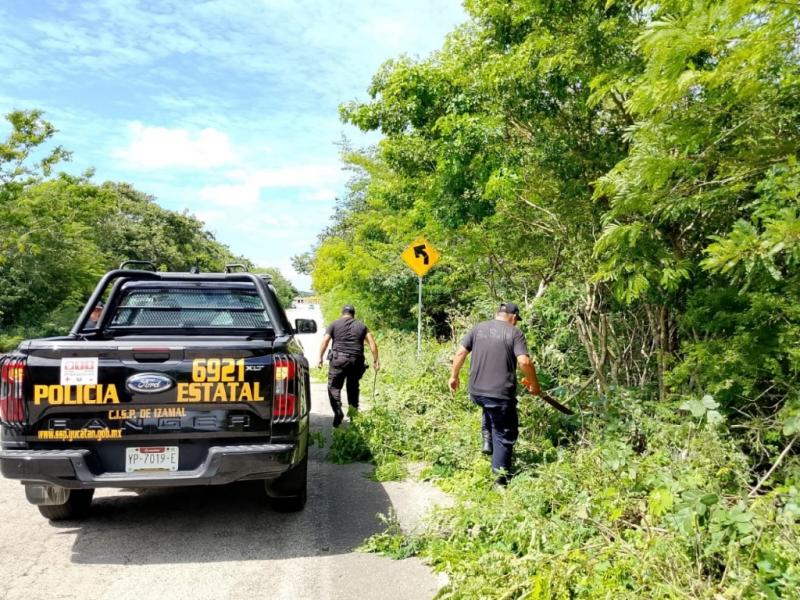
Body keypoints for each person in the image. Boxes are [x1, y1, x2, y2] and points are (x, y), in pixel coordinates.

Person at [448, 302, 542, 486]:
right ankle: (500, 480)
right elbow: (524, 362)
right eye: (516, 320)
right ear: (514, 318)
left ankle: (487, 440)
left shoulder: (478, 328)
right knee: (505, 433)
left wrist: (453, 376)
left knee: (490, 406)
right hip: (500, 394)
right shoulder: (514, 332)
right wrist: (534, 384)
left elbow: (459, 353)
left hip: (476, 391)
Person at [318, 304, 380, 427]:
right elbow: (372, 343)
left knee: (334, 387)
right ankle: (353, 417)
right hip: (356, 361)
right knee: (353, 388)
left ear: (342, 313)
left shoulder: (334, 324)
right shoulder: (362, 326)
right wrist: (376, 360)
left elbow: (325, 341)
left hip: (338, 360)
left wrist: (320, 357)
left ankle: (338, 411)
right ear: (353, 314)